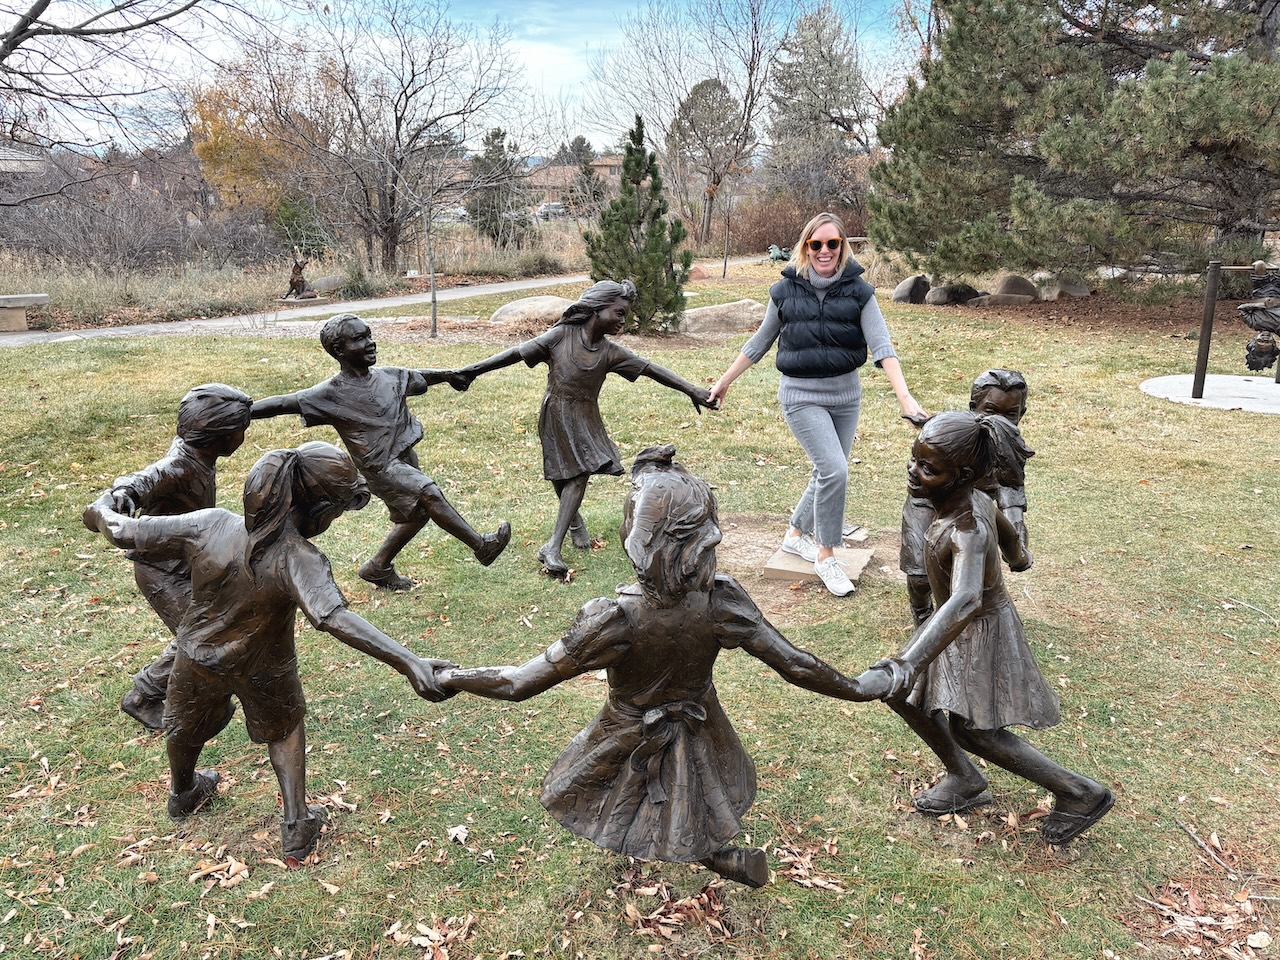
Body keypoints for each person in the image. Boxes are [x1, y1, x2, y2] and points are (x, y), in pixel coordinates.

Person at [437, 446, 870, 886]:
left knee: (637, 802)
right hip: (701, 724)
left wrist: (449, 675)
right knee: (686, 799)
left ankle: (717, 859)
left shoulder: (612, 620)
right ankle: (721, 859)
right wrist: (857, 687)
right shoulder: (722, 603)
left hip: (626, 733)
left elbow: (518, 683)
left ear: (635, 537)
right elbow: (795, 664)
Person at [83, 442, 455, 861]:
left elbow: (125, 532)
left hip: (197, 655)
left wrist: (103, 509)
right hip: (266, 665)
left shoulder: (210, 525)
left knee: (183, 727)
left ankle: (182, 791)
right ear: (317, 510)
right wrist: (411, 662)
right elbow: (334, 618)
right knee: (283, 730)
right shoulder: (300, 558)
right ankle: (296, 824)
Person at [857, 412, 1112, 845]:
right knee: (903, 694)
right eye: (914, 460)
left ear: (965, 474)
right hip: (954, 626)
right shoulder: (977, 500)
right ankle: (965, 776)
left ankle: (1080, 791)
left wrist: (910, 659)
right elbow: (1011, 537)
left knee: (974, 729)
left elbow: (967, 597)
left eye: (929, 468)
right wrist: (1018, 556)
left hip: (979, 628)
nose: (914, 473)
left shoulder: (966, 528)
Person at [709, 213, 927, 597]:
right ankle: (826, 556)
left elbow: (882, 346)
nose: (825, 251)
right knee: (835, 471)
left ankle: (795, 534)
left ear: (844, 247)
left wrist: (905, 396)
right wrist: (724, 382)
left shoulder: (860, 292)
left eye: (833, 244)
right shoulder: (785, 292)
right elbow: (759, 343)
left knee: (828, 473)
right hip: (801, 395)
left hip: (846, 397)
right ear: (805, 246)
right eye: (817, 244)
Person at [458, 280, 715, 580]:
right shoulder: (560, 336)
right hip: (556, 412)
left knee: (574, 473)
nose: (623, 320)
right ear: (597, 308)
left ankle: (561, 537)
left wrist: (691, 390)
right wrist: (470, 372)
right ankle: (562, 537)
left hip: (585, 415)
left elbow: (651, 369)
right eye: (619, 313)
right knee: (566, 473)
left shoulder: (609, 352)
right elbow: (515, 353)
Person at [251, 314, 511, 590]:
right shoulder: (329, 394)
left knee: (417, 515)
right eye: (360, 339)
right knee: (428, 492)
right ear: (339, 351)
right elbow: (282, 404)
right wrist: (244, 410)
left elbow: (419, 376)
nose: (370, 343)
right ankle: (481, 546)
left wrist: (450, 375)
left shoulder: (389, 376)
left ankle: (377, 567)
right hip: (380, 467)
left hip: (404, 457)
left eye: (369, 335)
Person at [83, 383, 253, 731]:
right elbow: (144, 479)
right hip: (162, 571)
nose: (244, 436)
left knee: (210, 629)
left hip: (189, 564)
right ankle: (145, 696)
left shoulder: (198, 454)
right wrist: (123, 492)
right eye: (241, 430)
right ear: (220, 436)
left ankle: (173, 692)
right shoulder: (179, 465)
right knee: (202, 637)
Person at [900, 369, 1033, 624]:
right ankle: (921, 611)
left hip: (972, 507)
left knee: (969, 567)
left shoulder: (1007, 445)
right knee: (919, 573)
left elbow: (1011, 489)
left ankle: (950, 613)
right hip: (927, 498)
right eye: (992, 411)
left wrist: (1017, 535)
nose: (1001, 421)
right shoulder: (954, 434)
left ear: (1021, 414)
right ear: (975, 407)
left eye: (1011, 414)